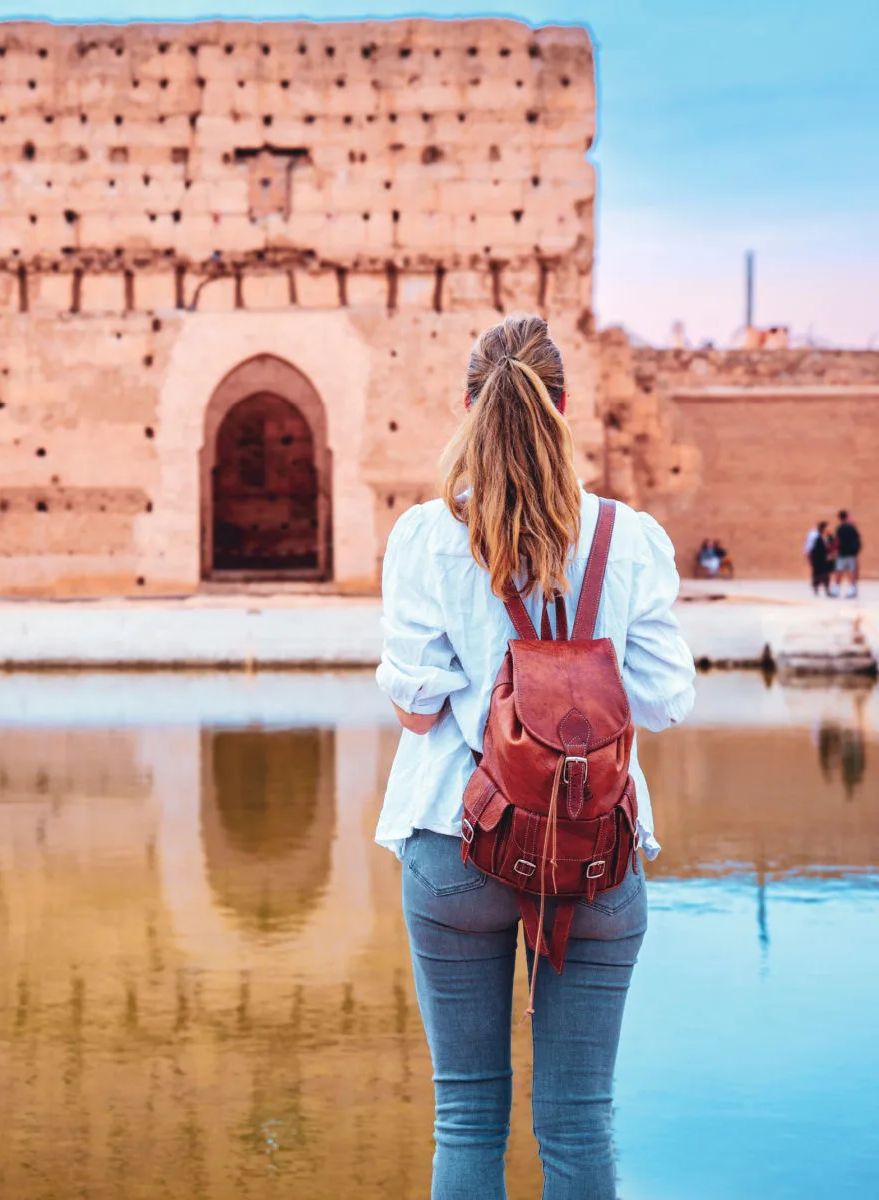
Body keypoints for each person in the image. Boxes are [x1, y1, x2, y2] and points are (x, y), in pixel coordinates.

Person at [376, 313, 695, 1200]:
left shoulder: (426, 536)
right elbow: (668, 702)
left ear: (468, 406)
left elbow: (413, 711)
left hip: (457, 842)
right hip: (599, 849)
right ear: (562, 406)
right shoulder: (628, 538)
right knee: (581, 1122)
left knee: (468, 1117)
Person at [833, 509, 862, 599]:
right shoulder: (852, 528)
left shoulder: (839, 528)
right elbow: (857, 540)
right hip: (850, 553)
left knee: (839, 571)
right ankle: (851, 590)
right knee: (851, 571)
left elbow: (837, 541)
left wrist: (835, 551)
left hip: (842, 553)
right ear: (846, 517)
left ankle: (836, 590)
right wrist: (856, 552)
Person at [807, 521, 832, 595]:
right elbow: (814, 549)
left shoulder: (830, 537)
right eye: (827, 527)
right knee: (817, 574)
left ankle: (827, 589)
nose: (829, 529)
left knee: (826, 574)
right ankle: (816, 587)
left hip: (826, 560)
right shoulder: (817, 538)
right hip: (818, 559)